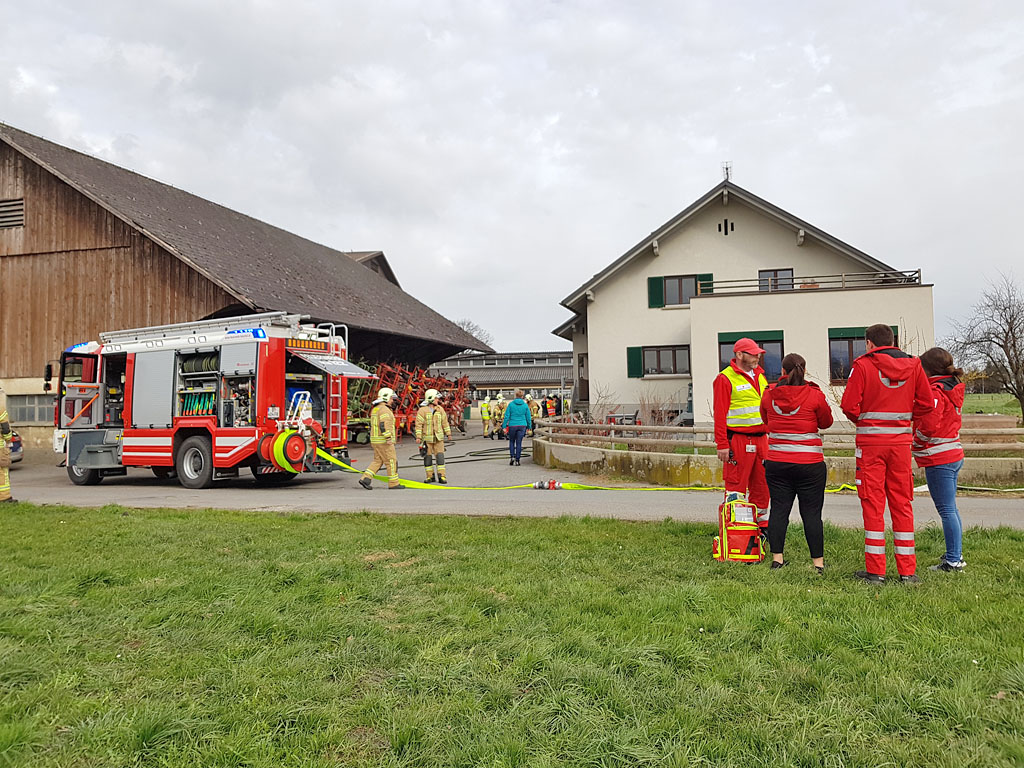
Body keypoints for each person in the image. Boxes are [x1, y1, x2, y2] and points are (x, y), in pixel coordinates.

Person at [841, 324, 931, 583]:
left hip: (870, 445)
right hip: (901, 445)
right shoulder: (914, 365)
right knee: (902, 503)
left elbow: (848, 405)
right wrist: (905, 420)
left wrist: (864, 420)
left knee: (873, 503)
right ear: (893, 341)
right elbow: (926, 403)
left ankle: (876, 571)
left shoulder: (862, 365)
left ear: (869, 343)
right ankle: (907, 572)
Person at [760, 353, 833, 572]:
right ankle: (818, 564)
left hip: (777, 462)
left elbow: (766, 420)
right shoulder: (815, 395)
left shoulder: (769, 395)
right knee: (812, 513)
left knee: (778, 510)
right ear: (805, 370)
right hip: (810, 463)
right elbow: (826, 422)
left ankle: (777, 559)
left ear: (782, 371)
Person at [913, 347, 966, 572]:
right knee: (951, 508)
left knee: (946, 510)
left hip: (938, 457)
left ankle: (953, 560)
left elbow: (929, 424)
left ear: (928, 370)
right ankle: (955, 553)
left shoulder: (935, 391)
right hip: (953, 453)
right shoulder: (952, 387)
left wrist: (915, 442)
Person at [713, 337, 770, 534]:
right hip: (738, 439)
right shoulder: (725, 378)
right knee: (736, 486)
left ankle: (761, 529)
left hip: (761, 439)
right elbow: (720, 414)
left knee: (762, 486)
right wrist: (722, 444)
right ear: (739, 355)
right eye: (753, 354)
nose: (757, 358)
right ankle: (735, 531)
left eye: (758, 354)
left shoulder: (760, 376)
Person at [359, 387, 404, 490]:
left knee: (378, 461)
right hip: (383, 441)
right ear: (386, 397)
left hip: (376, 440)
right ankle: (393, 483)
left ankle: (366, 478)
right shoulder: (384, 410)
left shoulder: (376, 409)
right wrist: (388, 437)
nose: (392, 401)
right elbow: (384, 425)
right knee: (391, 461)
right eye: (391, 398)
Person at [415, 388, 452, 484]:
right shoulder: (422, 411)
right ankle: (430, 476)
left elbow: (445, 422)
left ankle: (442, 476)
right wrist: (418, 436)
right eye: (436, 398)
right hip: (427, 439)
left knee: (440, 457)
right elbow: (418, 424)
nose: (437, 400)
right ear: (430, 398)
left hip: (438, 439)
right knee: (427, 458)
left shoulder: (440, 409)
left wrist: (448, 433)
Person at [502, 389, 533, 465]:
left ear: (515, 396)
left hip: (512, 425)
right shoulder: (525, 405)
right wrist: (529, 426)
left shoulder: (511, 404)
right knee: (519, 443)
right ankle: (517, 460)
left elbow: (506, 416)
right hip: (522, 425)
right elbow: (528, 417)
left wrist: (504, 426)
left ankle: (512, 457)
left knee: (512, 441)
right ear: (522, 396)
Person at [0, 385, 14, 503]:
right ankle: (4, 498)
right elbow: (5, 428)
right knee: (2, 472)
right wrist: (8, 439)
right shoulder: (0, 409)